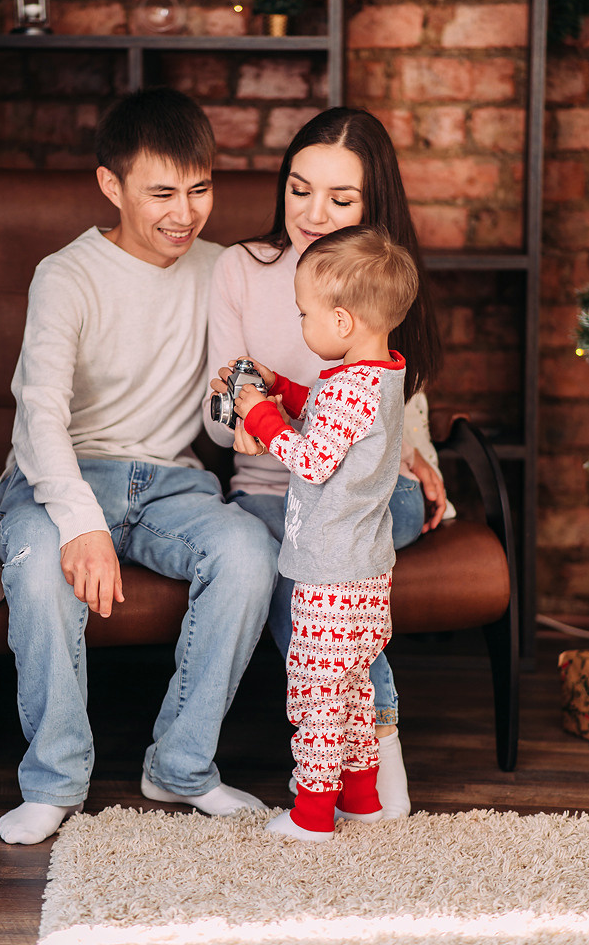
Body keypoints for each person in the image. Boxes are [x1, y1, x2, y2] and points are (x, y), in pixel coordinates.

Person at [0, 87, 278, 845]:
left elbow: (247, 379)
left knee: (250, 553)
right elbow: (39, 415)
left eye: (199, 189)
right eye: (161, 193)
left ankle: (181, 768)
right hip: (60, 476)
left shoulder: (225, 270)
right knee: (35, 564)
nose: (184, 213)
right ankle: (54, 779)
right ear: (110, 186)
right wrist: (79, 520)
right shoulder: (66, 275)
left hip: (171, 482)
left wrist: (244, 409)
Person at [204, 107, 452, 820]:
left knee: (322, 569)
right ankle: (376, 740)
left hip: (357, 495)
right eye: (298, 189)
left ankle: (328, 780)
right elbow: (219, 410)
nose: (313, 213)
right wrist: (245, 415)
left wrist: (414, 451)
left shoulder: (379, 275)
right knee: (317, 578)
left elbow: (397, 407)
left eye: (340, 200)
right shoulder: (240, 269)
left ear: (373, 207)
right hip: (273, 489)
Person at [233, 225, 419, 842]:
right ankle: (362, 801)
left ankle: (311, 816)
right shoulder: (381, 378)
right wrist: (282, 389)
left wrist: (259, 413)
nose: (301, 324)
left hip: (329, 575)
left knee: (316, 698)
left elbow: (313, 457)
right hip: (367, 574)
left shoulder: (347, 391)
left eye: (305, 313)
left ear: (342, 322)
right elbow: (327, 406)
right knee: (353, 691)